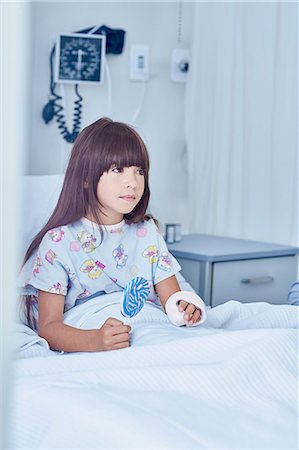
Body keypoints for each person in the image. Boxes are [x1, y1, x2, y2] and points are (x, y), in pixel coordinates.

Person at [19, 117, 205, 353]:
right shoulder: (58, 243)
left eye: (140, 171)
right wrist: (95, 341)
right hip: (93, 325)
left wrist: (186, 308)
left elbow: (172, 299)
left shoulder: (147, 233)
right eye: (118, 169)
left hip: (150, 323)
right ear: (86, 178)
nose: (133, 182)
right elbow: (49, 328)